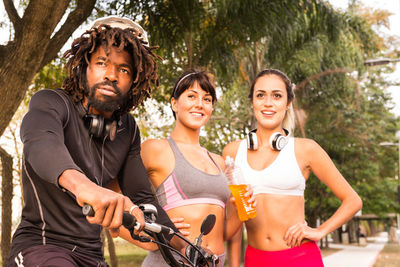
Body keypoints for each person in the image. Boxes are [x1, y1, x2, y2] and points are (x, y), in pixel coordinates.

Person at [8, 16, 184, 267]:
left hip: (93, 256)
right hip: (41, 246)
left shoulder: (128, 129)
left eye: (123, 69)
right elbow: (41, 143)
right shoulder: (51, 103)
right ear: (84, 67)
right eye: (102, 62)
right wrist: (86, 188)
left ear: (134, 81)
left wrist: (187, 250)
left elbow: (144, 198)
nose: (111, 75)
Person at [222, 69, 363, 267]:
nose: (268, 103)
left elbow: (353, 201)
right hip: (255, 260)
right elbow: (233, 219)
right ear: (252, 101)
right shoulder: (232, 152)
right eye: (260, 95)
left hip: (300, 259)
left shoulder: (306, 149)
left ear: (288, 104)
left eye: (277, 96)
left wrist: (320, 231)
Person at [119, 69, 253, 267]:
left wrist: (242, 209)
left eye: (207, 99)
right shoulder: (155, 149)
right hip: (170, 262)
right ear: (174, 103)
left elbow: (223, 233)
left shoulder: (220, 161)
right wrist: (146, 241)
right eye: (191, 96)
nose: (199, 104)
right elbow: (111, 196)